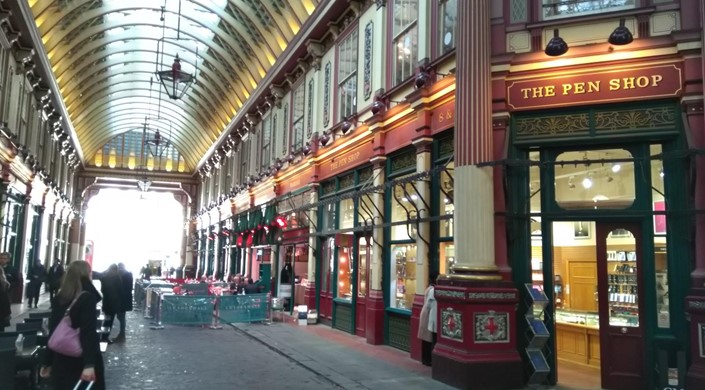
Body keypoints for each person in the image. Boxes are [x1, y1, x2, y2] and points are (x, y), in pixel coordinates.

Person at [40, 260, 105, 390]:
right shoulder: (87, 298)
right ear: (86, 275)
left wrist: (47, 361)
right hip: (80, 357)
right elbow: (88, 332)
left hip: (61, 356)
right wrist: (89, 364)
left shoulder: (60, 298)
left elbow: (54, 330)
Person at [418, 273, 438, 366]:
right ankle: (427, 359)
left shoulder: (429, 288)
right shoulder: (433, 290)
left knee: (427, 339)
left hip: (427, 314)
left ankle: (426, 359)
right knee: (428, 339)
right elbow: (429, 304)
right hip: (428, 315)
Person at [99, 264, 123, 343]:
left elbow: (102, 290)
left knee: (107, 320)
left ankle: (103, 336)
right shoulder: (117, 278)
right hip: (113, 303)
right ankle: (105, 337)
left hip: (106, 302)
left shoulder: (105, 278)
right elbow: (120, 290)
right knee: (110, 320)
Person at [113, 263, 133, 343]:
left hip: (121, 299)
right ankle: (122, 335)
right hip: (124, 299)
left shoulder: (122, 275)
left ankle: (122, 335)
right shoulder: (127, 274)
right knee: (121, 317)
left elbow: (123, 288)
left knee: (121, 317)